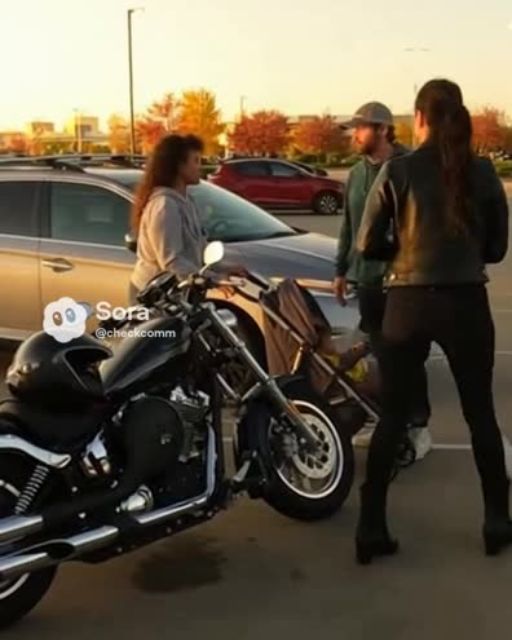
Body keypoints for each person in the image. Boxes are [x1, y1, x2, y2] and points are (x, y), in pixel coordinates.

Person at [355, 79, 509, 564]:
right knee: (480, 414)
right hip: (465, 301)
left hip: (407, 301)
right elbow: (497, 249)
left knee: (393, 415)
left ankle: (371, 527)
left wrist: (401, 252)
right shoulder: (481, 171)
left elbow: (366, 244)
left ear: (419, 117)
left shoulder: (397, 171)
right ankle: (496, 520)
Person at [333, 102, 432, 459]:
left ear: (382, 130)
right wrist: (341, 270)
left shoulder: (408, 168)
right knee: (379, 356)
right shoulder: (356, 174)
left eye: (360, 128)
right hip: (367, 281)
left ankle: (418, 426)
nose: (354, 135)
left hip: (402, 281)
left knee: (407, 354)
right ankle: (385, 420)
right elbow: (348, 225)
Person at [130, 134, 243, 303]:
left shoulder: (186, 201)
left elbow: (199, 249)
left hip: (179, 294)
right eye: (195, 161)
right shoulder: (165, 205)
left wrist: (224, 269)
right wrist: (213, 280)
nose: (200, 167)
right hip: (153, 296)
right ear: (179, 166)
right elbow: (172, 261)